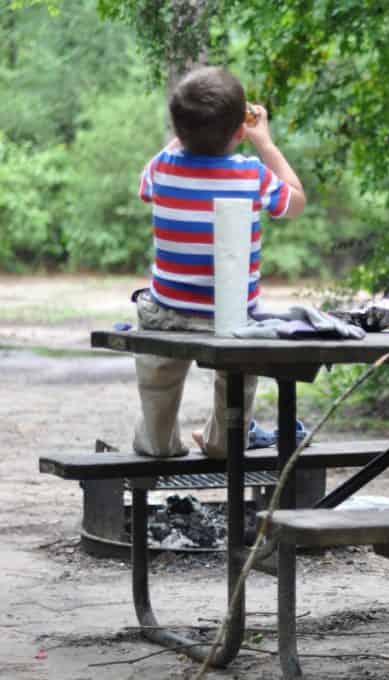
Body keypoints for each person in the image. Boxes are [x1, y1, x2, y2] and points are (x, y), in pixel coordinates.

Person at [133, 65, 306, 458]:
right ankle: (225, 440)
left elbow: (145, 190)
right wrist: (265, 143)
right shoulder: (251, 173)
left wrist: (182, 138)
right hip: (230, 319)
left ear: (178, 130)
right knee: (237, 376)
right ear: (240, 130)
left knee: (158, 375)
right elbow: (295, 202)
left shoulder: (162, 167)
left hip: (168, 312)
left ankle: (158, 440)